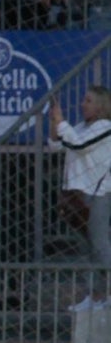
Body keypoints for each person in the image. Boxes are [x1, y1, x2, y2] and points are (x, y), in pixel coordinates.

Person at [50, 86, 111, 264]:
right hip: (77, 192)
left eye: (88, 101)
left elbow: (79, 145)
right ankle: (93, 291)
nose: (82, 104)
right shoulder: (82, 126)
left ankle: (108, 285)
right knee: (83, 246)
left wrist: (62, 122)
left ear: (101, 106)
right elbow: (56, 146)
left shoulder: (105, 126)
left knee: (99, 243)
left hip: (98, 191)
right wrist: (55, 123)